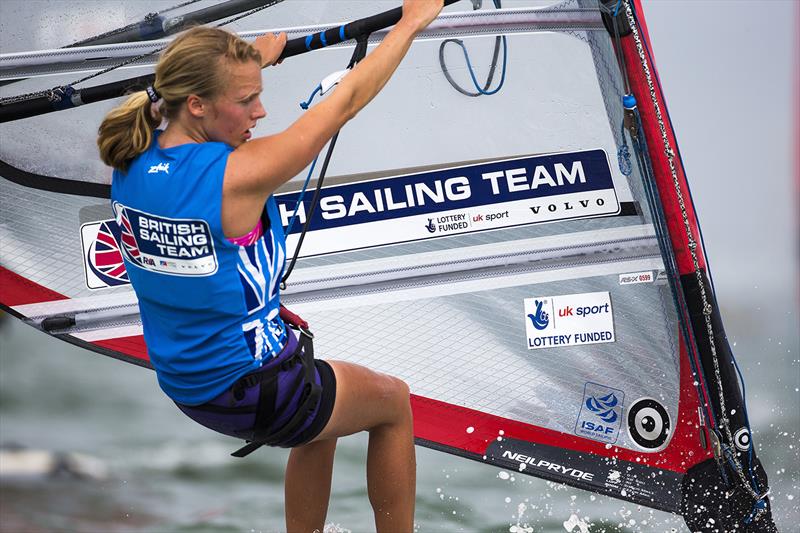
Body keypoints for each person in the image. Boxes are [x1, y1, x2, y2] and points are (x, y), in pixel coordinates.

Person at [96, 1, 444, 531]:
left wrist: (245, 68)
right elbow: (346, 100)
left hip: (189, 383)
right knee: (392, 402)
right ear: (197, 105)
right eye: (248, 100)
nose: (259, 112)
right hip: (256, 387)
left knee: (320, 423)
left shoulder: (131, 159)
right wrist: (411, 22)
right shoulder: (234, 177)